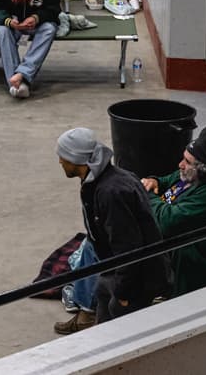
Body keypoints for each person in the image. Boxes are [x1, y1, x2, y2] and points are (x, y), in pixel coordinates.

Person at [55, 128, 170, 330]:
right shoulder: (102, 181)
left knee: (124, 335)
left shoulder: (111, 192)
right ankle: (91, 320)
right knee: (102, 302)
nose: (60, 162)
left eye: (63, 157)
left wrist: (124, 293)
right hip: (113, 272)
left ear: (77, 159)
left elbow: (129, 246)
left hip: (134, 280)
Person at [141, 125, 206, 298]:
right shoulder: (189, 175)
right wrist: (154, 182)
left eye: (187, 162)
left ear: (203, 168)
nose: (180, 165)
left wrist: (145, 195)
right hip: (168, 251)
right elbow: (165, 181)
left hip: (188, 266)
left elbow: (166, 222)